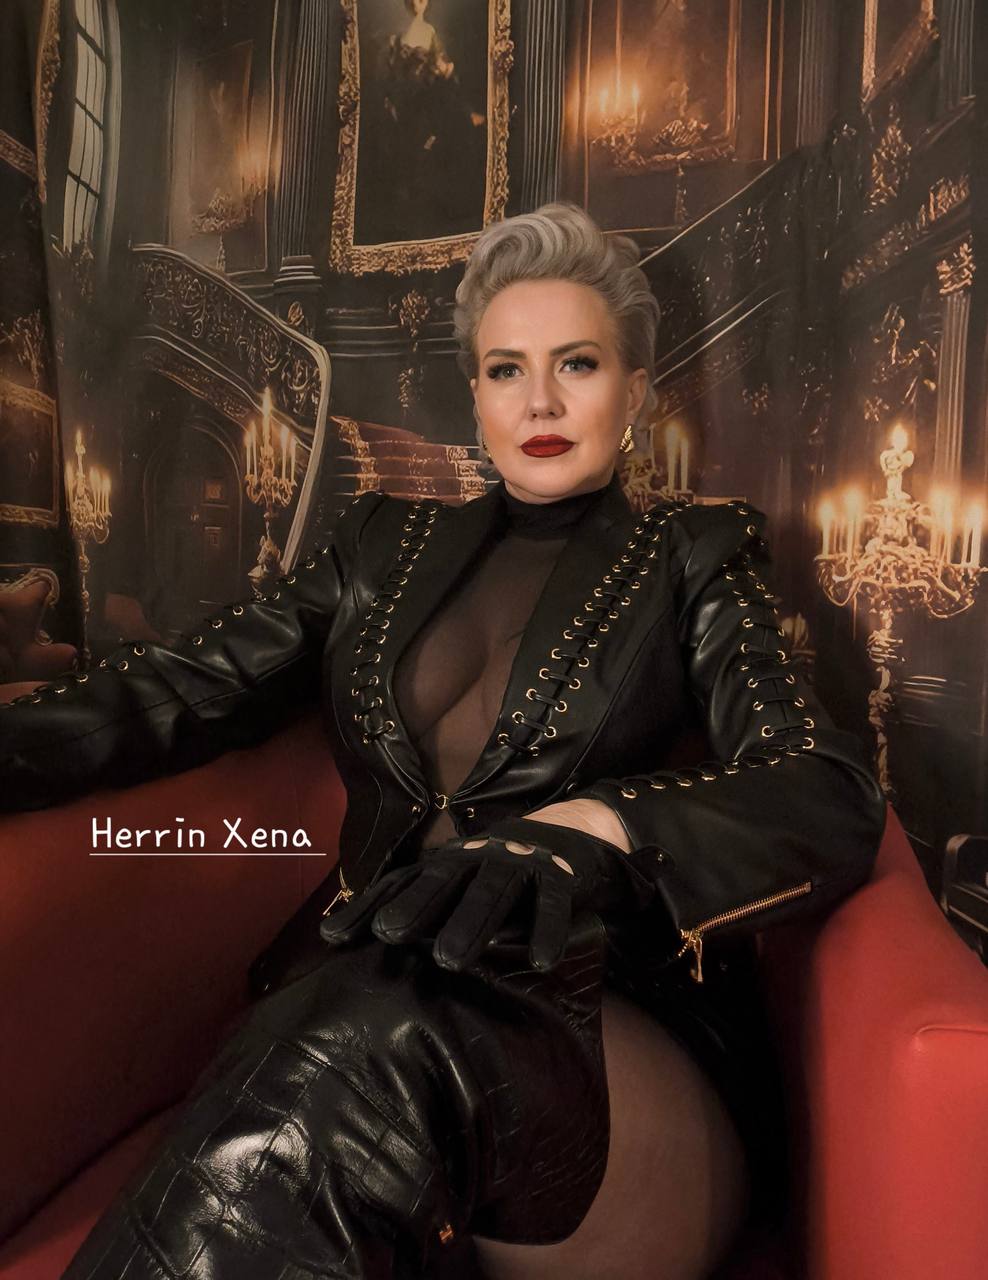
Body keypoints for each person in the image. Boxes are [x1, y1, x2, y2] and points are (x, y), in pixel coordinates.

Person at [0, 202, 886, 1279]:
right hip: (355, 1014)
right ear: (475, 394)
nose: (540, 400)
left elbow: (824, 787)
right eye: (506, 369)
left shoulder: (691, 554)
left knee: (380, 1024)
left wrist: (598, 827)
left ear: (637, 391)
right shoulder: (384, 540)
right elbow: (177, 690)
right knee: (353, 1015)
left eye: (577, 363)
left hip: (602, 1053)